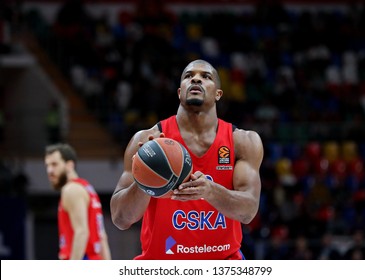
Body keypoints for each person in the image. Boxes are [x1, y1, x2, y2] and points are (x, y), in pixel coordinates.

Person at [110, 59, 263, 259]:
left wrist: (210, 191)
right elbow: (121, 219)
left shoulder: (243, 142)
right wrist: (145, 178)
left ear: (218, 94)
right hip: (164, 264)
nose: (196, 79)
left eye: (205, 76)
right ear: (180, 92)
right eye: (189, 76)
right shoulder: (147, 140)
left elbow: (248, 212)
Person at [44, 143, 111, 260]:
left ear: (69, 165)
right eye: (47, 165)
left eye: (54, 164)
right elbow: (102, 236)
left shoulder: (71, 190)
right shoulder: (87, 188)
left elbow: (81, 232)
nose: (49, 170)